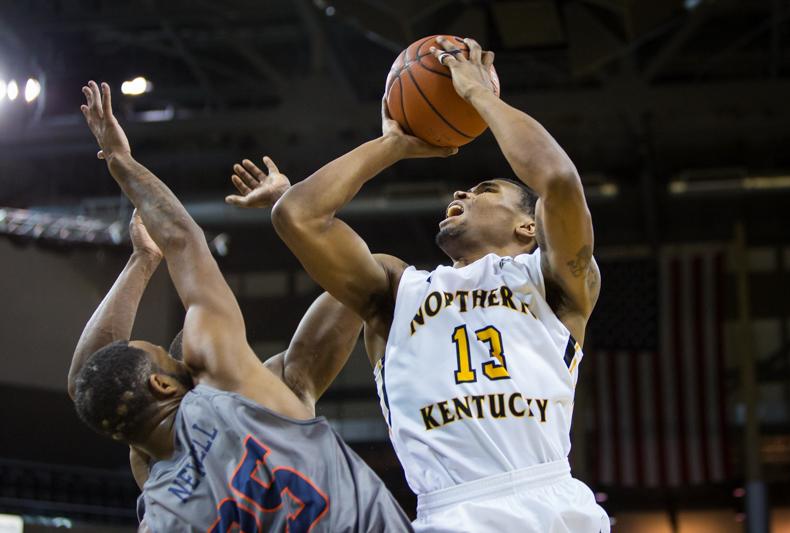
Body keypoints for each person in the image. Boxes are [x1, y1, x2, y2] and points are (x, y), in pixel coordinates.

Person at [266, 37, 609, 532]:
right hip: (449, 512)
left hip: (549, 503)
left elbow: (558, 180)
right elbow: (297, 215)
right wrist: (393, 144)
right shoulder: (394, 290)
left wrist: (481, 98)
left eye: (484, 190)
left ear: (528, 226)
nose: (461, 191)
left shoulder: (554, 282)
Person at [72, 80, 412, 532]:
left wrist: (141, 259)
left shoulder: (158, 508)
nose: (183, 358)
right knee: (381, 272)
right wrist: (120, 160)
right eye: (172, 359)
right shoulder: (231, 388)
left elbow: (88, 382)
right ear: (164, 384)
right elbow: (182, 238)